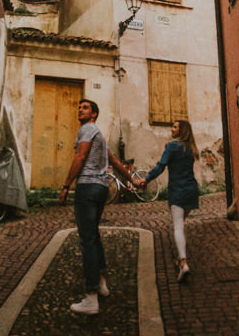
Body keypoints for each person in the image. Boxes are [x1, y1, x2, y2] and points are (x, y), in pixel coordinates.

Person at [59, 98, 135, 314]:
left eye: (84, 108)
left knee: (87, 240)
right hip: (102, 189)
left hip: (87, 186)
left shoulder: (87, 130)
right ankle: (101, 281)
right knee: (93, 235)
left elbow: (80, 156)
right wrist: (132, 180)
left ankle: (91, 297)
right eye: (79, 107)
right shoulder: (99, 135)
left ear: (93, 114)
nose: (79, 110)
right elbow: (115, 161)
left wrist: (66, 186)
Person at [135, 119, 201, 282]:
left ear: (181, 130)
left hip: (178, 190)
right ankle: (180, 259)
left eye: (175, 127)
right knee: (181, 223)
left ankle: (183, 263)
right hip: (191, 190)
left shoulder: (172, 147)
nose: (172, 129)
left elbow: (160, 166)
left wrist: (146, 179)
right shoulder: (190, 148)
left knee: (178, 226)